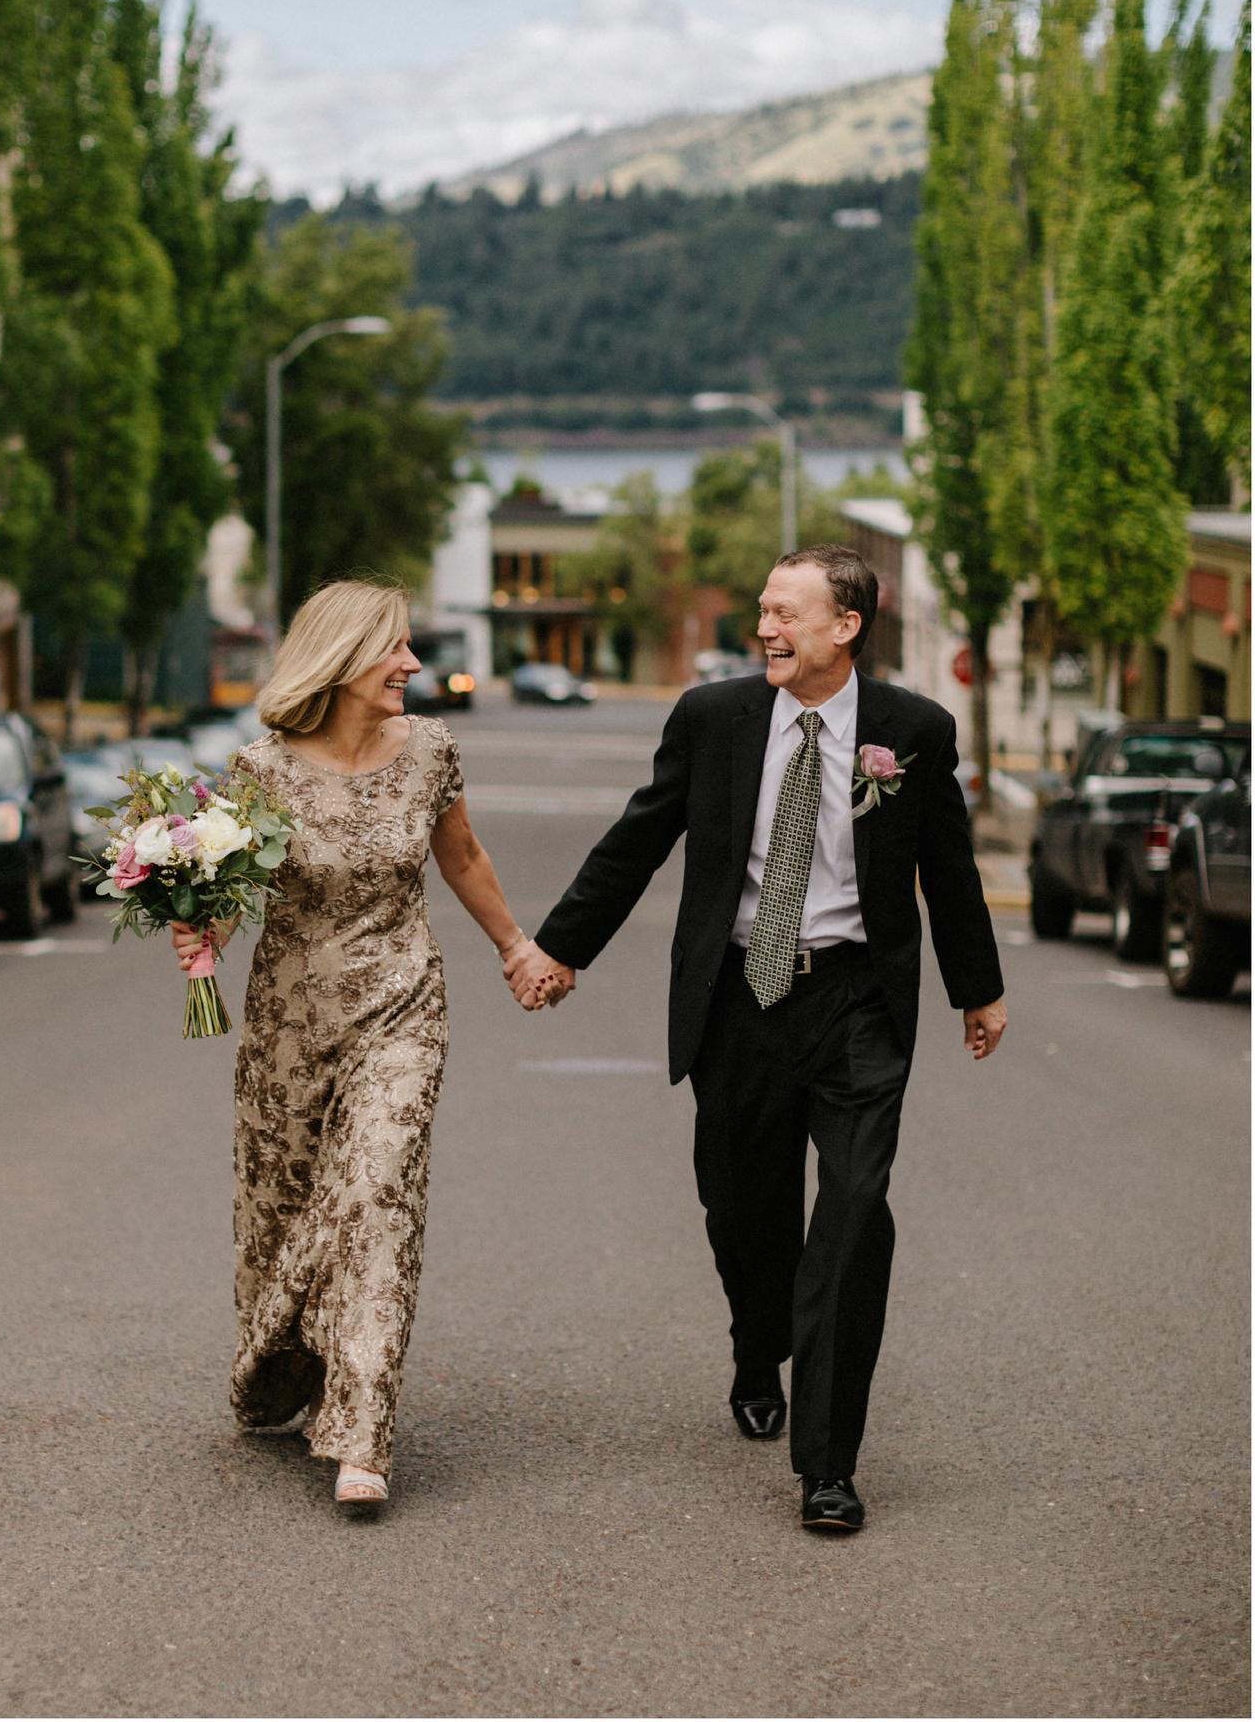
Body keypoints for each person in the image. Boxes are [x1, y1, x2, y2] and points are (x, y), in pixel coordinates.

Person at [505, 544, 1007, 1533]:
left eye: (786, 610)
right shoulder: (715, 718)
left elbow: (948, 864)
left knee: (855, 1212)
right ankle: (754, 1342)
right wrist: (559, 949)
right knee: (745, 1207)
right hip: (739, 997)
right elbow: (641, 834)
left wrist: (977, 987)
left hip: (856, 1000)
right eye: (763, 609)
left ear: (845, 625)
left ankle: (827, 1463)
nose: (765, 627)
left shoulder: (913, 730)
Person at [172, 580, 532, 1511]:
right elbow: (225, 889)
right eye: (397, 650)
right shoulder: (261, 772)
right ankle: (277, 1362)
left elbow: (461, 857)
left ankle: (361, 1433)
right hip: (290, 1022)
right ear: (340, 659)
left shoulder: (432, 754)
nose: (413, 665)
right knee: (287, 1206)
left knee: (377, 1192)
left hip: (401, 1005)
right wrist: (191, 928)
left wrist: (516, 948)